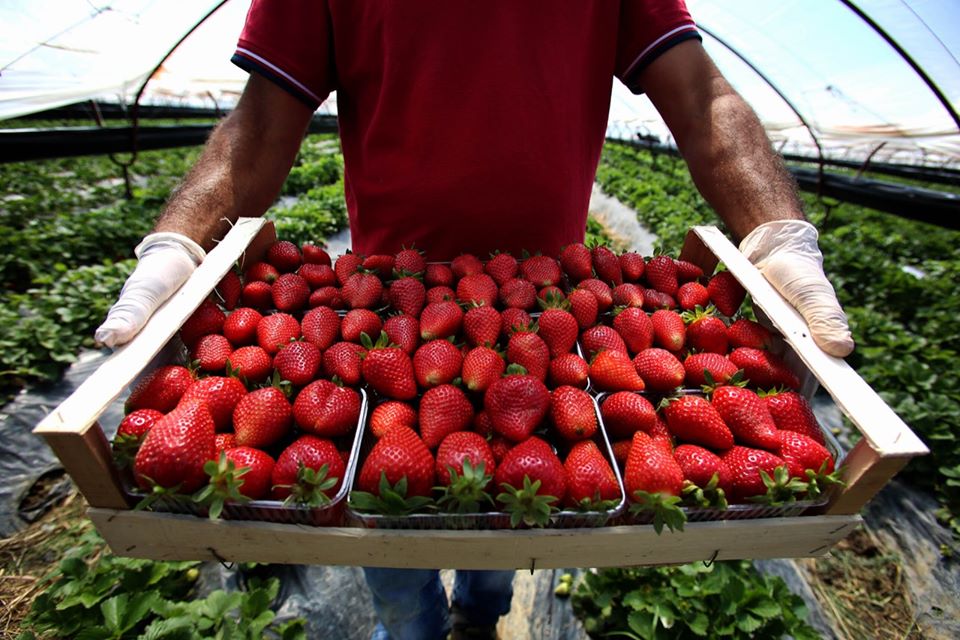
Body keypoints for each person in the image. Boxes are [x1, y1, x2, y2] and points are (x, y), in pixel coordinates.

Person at [95, 2, 855, 639]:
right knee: (395, 540)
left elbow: (702, 97)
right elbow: (261, 124)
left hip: (544, 325)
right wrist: (180, 239)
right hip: (387, 315)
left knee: (515, 507)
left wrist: (776, 229)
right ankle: (414, 624)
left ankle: (483, 613)